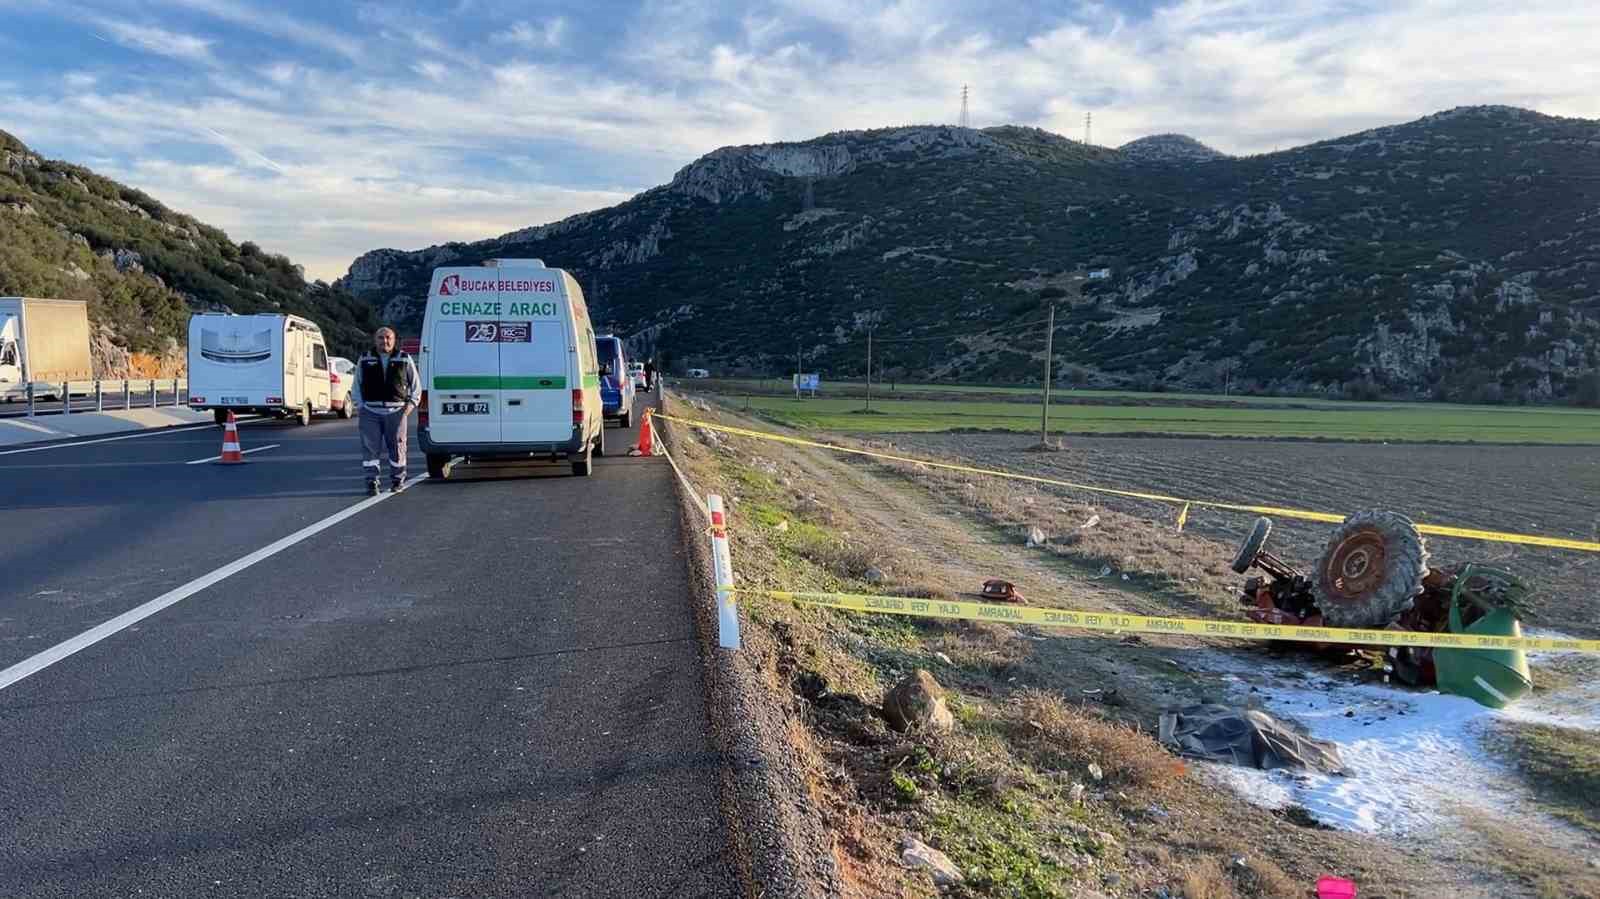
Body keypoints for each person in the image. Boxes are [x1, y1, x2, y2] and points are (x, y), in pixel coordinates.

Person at [351, 327, 420, 495]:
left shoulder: (404, 358)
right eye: (381, 338)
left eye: (388, 338)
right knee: (370, 448)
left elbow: (416, 387)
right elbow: (356, 385)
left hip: (396, 412)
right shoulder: (365, 358)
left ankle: (397, 480)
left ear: (394, 339)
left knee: (397, 448)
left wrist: (408, 407)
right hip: (370, 412)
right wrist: (360, 406)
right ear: (375, 340)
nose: (385, 341)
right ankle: (371, 482)